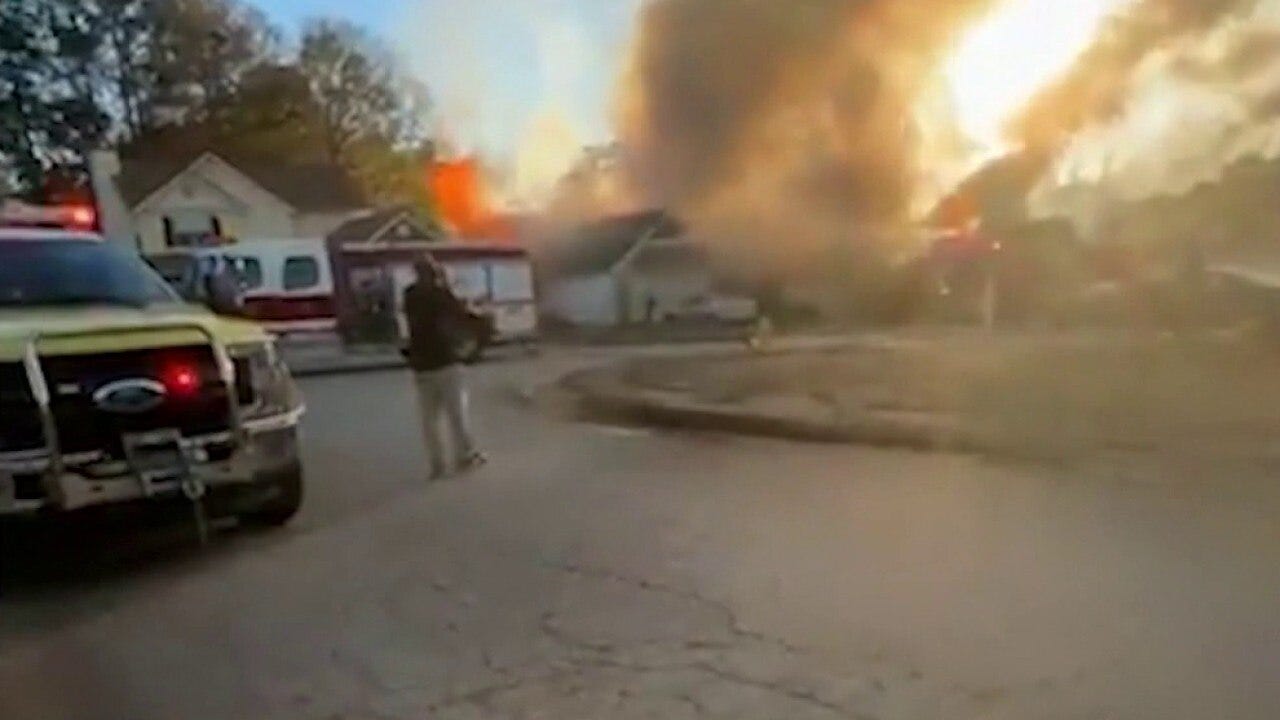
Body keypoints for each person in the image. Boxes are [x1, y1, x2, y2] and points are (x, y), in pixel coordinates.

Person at [403, 256, 484, 479]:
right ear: (435, 273)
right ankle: (465, 456)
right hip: (446, 362)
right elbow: (460, 315)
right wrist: (446, 282)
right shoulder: (441, 295)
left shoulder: (410, 295)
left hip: (421, 365)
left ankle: (437, 464)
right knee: (457, 414)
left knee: (429, 420)